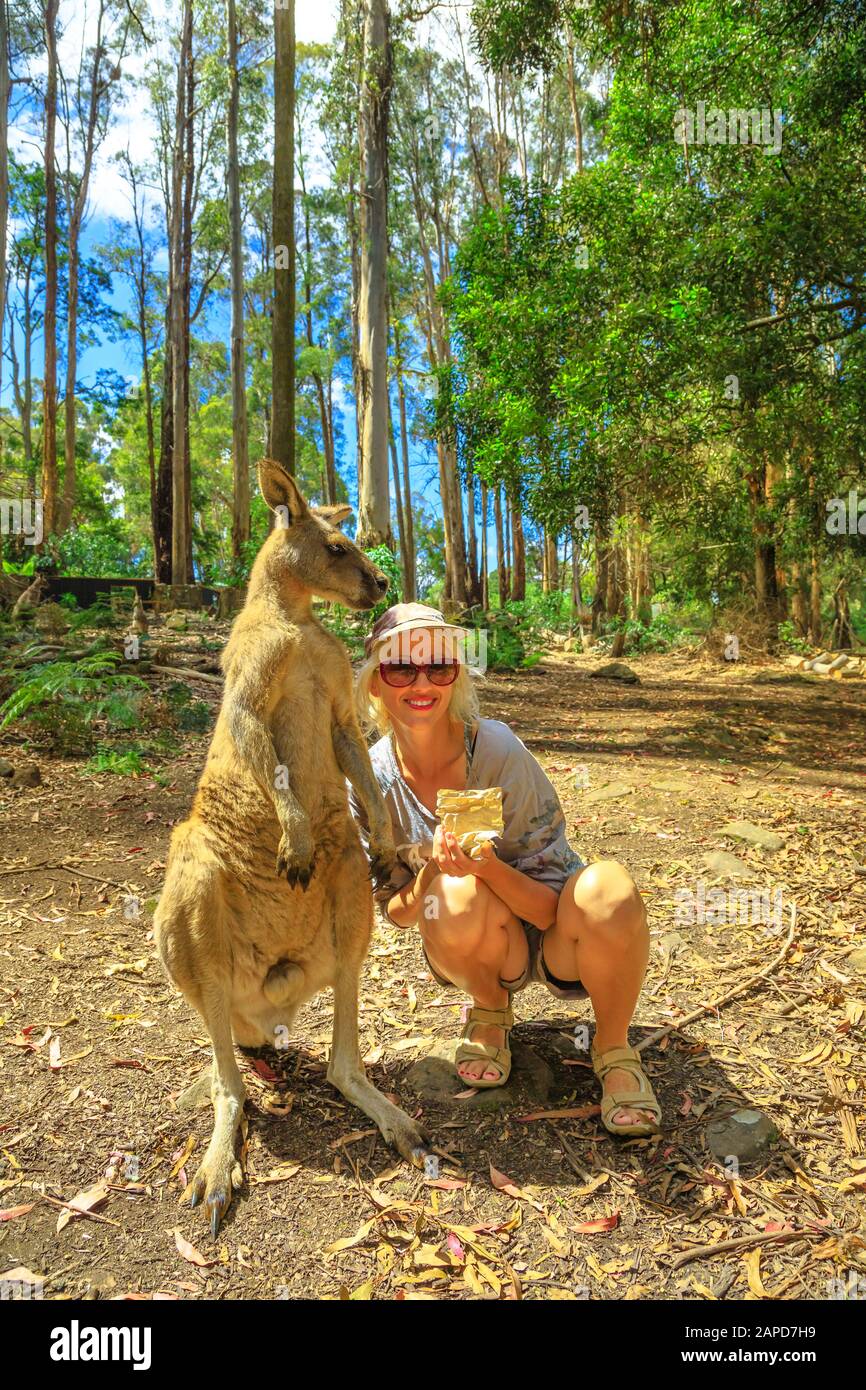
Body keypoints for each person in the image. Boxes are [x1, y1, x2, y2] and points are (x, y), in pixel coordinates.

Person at [348, 603, 661, 1135]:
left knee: (612, 887)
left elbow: (550, 909)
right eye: (401, 667)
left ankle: (613, 1047)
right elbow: (399, 914)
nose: (421, 683)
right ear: (376, 684)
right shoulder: (370, 781)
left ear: (456, 676)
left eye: (439, 666)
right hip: (476, 941)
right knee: (452, 888)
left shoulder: (496, 749)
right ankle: (490, 1012)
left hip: (559, 936)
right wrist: (431, 869)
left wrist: (488, 867)